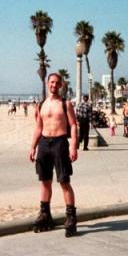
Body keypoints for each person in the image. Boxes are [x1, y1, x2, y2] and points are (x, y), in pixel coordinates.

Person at [29, 73, 78, 237]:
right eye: (51, 82)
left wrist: (73, 146)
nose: (54, 85)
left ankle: (71, 217)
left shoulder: (66, 104)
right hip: (44, 143)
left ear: (61, 85)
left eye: (57, 83)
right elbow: (38, 127)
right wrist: (33, 147)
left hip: (60, 143)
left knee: (64, 181)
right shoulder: (41, 104)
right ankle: (45, 214)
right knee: (45, 182)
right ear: (47, 83)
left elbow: (73, 125)